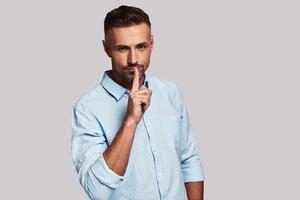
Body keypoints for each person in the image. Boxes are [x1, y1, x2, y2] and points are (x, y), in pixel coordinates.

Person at [72, 5, 205, 200]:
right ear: (106, 48)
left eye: (141, 46)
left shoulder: (170, 92)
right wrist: (130, 121)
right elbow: (97, 192)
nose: (134, 59)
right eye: (123, 48)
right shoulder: (87, 109)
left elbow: (189, 160)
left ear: (152, 43)